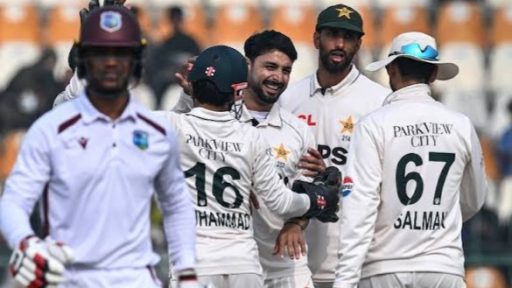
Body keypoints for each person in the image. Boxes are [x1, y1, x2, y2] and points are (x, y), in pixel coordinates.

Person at [0, 6, 201, 288]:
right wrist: (26, 242)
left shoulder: (155, 132)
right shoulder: (50, 129)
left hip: (136, 278)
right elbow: (14, 201)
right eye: (100, 52)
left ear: (136, 59)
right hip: (68, 277)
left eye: (121, 53)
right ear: (85, 58)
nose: (110, 62)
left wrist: (187, 273)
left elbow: (177, 206)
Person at [158, 44, 341, 288]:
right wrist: (317, 200)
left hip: (194, 264)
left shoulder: (172, 125)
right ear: (238, 92)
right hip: (242, 264)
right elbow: (280, 202)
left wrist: (187, 97)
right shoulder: (250, 136)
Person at [334, 31, 487, 288]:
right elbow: (474, 199)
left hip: (385, 267)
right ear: (434, 74)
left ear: (391, 69)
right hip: (443, 266)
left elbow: (359, 207)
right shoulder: (460, 124)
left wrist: (344, 282)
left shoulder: (373, 125)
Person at [277, 4, 390, 287]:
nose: (340, 44)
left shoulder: (379, 102)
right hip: (295, 261)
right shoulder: (288, 99)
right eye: (333, 35)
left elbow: (386, 181)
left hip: (357, 262)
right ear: (316, 39)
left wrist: (333, 173)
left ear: (359, 44)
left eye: (349, 37)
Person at [145, 5, 202, 107]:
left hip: (188, 75)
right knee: (157, 81)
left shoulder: (190, 41)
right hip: (171, 75)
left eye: (177, 18)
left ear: (181, 19)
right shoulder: (166, 42)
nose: (175, 21)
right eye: (173, 18)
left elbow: (198, 59)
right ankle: (158, 108)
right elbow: (158, 62)